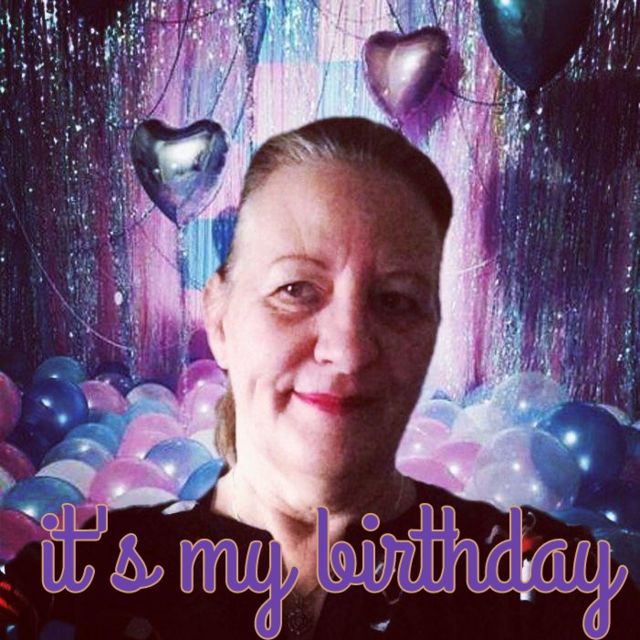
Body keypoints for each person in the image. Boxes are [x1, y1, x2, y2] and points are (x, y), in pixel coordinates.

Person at [0, 117, 637, 640]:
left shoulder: (543, 579)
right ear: (219, 320)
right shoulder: (65, 586)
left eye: (396, 300)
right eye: (296, 289)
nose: (348, 349)